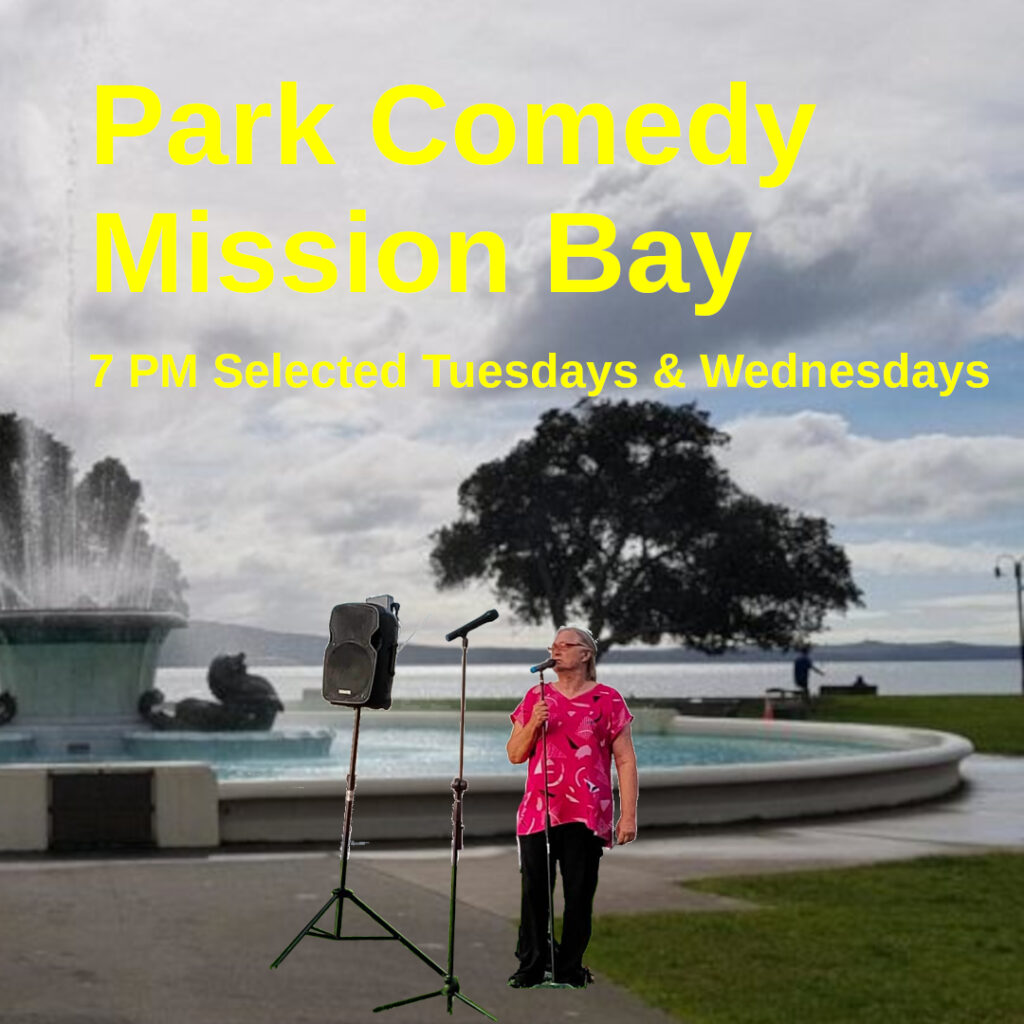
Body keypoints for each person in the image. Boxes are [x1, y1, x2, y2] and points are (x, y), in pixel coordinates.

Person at [505, 626, 638, 990]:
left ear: (586, 655)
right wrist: (534, 722)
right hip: (539, 812)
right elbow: (515, 754)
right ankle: (530, 966)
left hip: (586, 812)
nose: (557, 650)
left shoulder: (609, 700)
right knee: (534, 892)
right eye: (554, 645)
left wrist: (628, 815)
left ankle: (568, 968)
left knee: (579, 894)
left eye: (567, 645)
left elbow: (625, 761)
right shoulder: (536, 697)